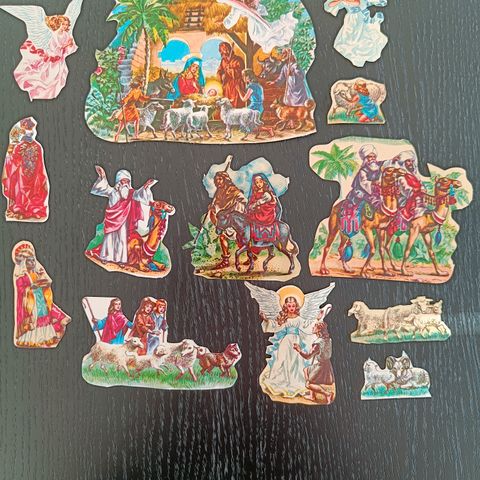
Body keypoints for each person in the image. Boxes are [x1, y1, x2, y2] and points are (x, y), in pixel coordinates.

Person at [89, 167, 155, 266]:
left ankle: (121, 260)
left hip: (123, 221)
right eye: (123, 181)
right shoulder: (112, 191)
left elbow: (139, 194)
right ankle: (106, 257)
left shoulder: (131, 193)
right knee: (109, 239)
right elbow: (102, 188)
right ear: (118, 181)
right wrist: (102, 175)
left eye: (127, 181)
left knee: (121, 239)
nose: (125, 183)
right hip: (111, 221)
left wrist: (146, 186)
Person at [13, 242, 70, 347]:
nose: (32, 263)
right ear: (24, 263)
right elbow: (20, 289)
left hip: (41, 300)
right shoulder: (21, 277)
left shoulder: (37, 273)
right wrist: (30, 288)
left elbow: (48, 281)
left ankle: (45, 338)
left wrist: (44, 281)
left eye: (33, 260)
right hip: (31, 303)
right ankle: (31, 340)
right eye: (29, 261)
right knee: (34, 320)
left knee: (44, 317)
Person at [260, 294, 317, 398]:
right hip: (286, 341)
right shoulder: (284, 318)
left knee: (295, 360)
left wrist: (317, 319)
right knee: (281, 358)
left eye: (293, 306)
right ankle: (278, 379)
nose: (291, 308)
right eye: (289, 306)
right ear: (286, 306)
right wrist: (266, 320)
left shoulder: (299, 319)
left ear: (296, 307)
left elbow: (307, 327)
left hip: (296, 341)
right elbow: (275, 326)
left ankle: (295, 381)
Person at [13, 15, 78, 100]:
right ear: (59, 24)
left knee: (57, 76)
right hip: (52, 56)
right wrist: (65, 45)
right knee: (47, 75)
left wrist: (70, 45)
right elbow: (54, 47)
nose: (64, 26)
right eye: (63, 24)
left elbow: (68, 46)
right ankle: (38, 89)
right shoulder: (54, 34)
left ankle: (50, 92)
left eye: (66, 25)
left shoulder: (66, 34)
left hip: (60, 58)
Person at [2, 118, 49, 221]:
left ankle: (22, 208)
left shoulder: (19, 146)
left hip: (23, 177)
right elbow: (40, 165)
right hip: (34, 177)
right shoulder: (38, 147)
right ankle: (30, 208)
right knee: (32, 190)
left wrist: (9, 156)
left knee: (21, 189)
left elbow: (13, 161)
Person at [324, 0, 388, 68]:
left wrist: (344, 1)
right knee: (348, 39)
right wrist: (339, 1)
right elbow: (329, 5)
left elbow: (358, 3)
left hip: (360, 17)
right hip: (350, 20)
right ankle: (355, 53)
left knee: (361, 36)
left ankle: (363, 51)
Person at [207, 170, 247, 269]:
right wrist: (212, 207)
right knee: (222, 237)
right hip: (224, 220)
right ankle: (225, 261)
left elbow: (244, 200)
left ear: (225, 180)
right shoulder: (218, 192)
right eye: (216, 180)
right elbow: (217, 204)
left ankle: (251, 255)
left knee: (240, 239)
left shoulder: (233, 190)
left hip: (233, 219)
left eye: (220, 179)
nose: (218, 181)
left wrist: (236, 206)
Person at [293, 317, 335, 404]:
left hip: (320, 366)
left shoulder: (317, 344)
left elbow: (307, 356)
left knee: (308, 384)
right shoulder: (328, 339)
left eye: (314, 326)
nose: (312, 328)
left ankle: (327, 394)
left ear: (319, 330)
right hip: (326, 364)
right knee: (306, 370)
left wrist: (299, 350)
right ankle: (312, 396)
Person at [236, 69, 274, 138]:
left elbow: (244, 99)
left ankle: (268, 129)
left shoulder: (251, 86)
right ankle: (263, 131)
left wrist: (239, 91)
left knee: (246, 122)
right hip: (260, 106)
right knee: (254, 123)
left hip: (254, 107)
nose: (243, 78)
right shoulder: (258, 86)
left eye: (243, 76)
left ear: (248, 77)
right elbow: (257, 97)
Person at [247, 174, 281, 241]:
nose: (259, 184)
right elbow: (251, 204)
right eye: (257, 183)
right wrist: (253, 206)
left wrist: (261, 207)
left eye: (260, 182)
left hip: (267, 213)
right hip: (256, 212)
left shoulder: (268, 193)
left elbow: (273, 203)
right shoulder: (254, 194)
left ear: (263, 182)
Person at [217, 42, 245, 108]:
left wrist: (230, 70)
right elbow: (219, 71)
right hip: (227, 85)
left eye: (227, 49)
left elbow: (241, 72)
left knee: (236, 102)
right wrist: (222, 75)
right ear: (221, 51)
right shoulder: (223, 61)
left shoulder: (238, 59)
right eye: (224, 49)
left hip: (236, 84)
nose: (226, 51)